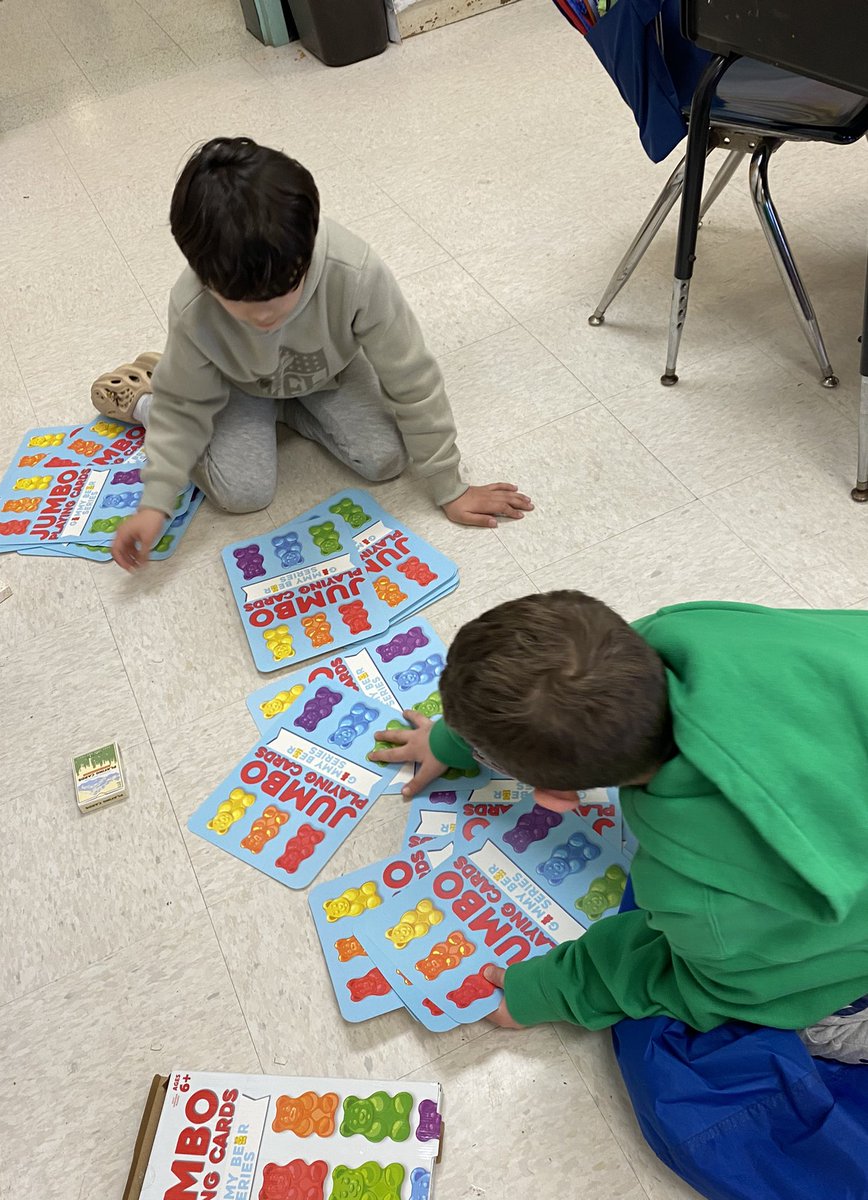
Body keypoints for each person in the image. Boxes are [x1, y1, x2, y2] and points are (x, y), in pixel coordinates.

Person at [369, 591, 868, 1064]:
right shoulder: (693, 630)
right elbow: (555, 687)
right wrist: (454, 742)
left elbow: (718, 985)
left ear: (555, 798)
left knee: (811, 1026)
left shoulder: (700, 892)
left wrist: (555, 987)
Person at [91, 137, 532, 571]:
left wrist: (449, 486)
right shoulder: (192, 307)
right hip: (235, 386)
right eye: (240, 302)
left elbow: (412, 377)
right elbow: (184, 409)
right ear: (204, 279)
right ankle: (145, 398)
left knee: (386, 460)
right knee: (244, 494)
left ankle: (285, 409)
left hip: (327, 372)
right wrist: (155, 504)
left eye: (284, 292)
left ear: (308, 247)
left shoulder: (355, 271)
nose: (267, 316)